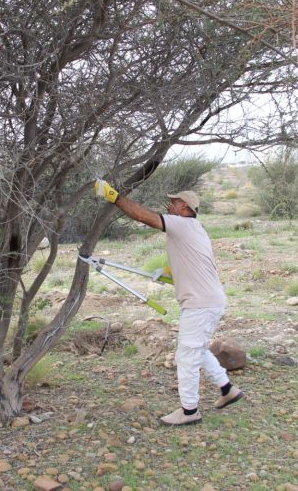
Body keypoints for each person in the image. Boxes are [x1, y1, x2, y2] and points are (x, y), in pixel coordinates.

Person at [94, 179, 244, 425]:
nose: (168, 206)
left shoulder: (182, 224)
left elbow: (144, 217)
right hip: (208, 301)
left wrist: (114, 197)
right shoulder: (195, 229)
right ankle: (227, 390)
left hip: (200, 305)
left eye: (173, 203)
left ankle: (189, 411)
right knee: (197, 350)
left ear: (184, 207)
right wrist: (168, 272)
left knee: (186, 357)